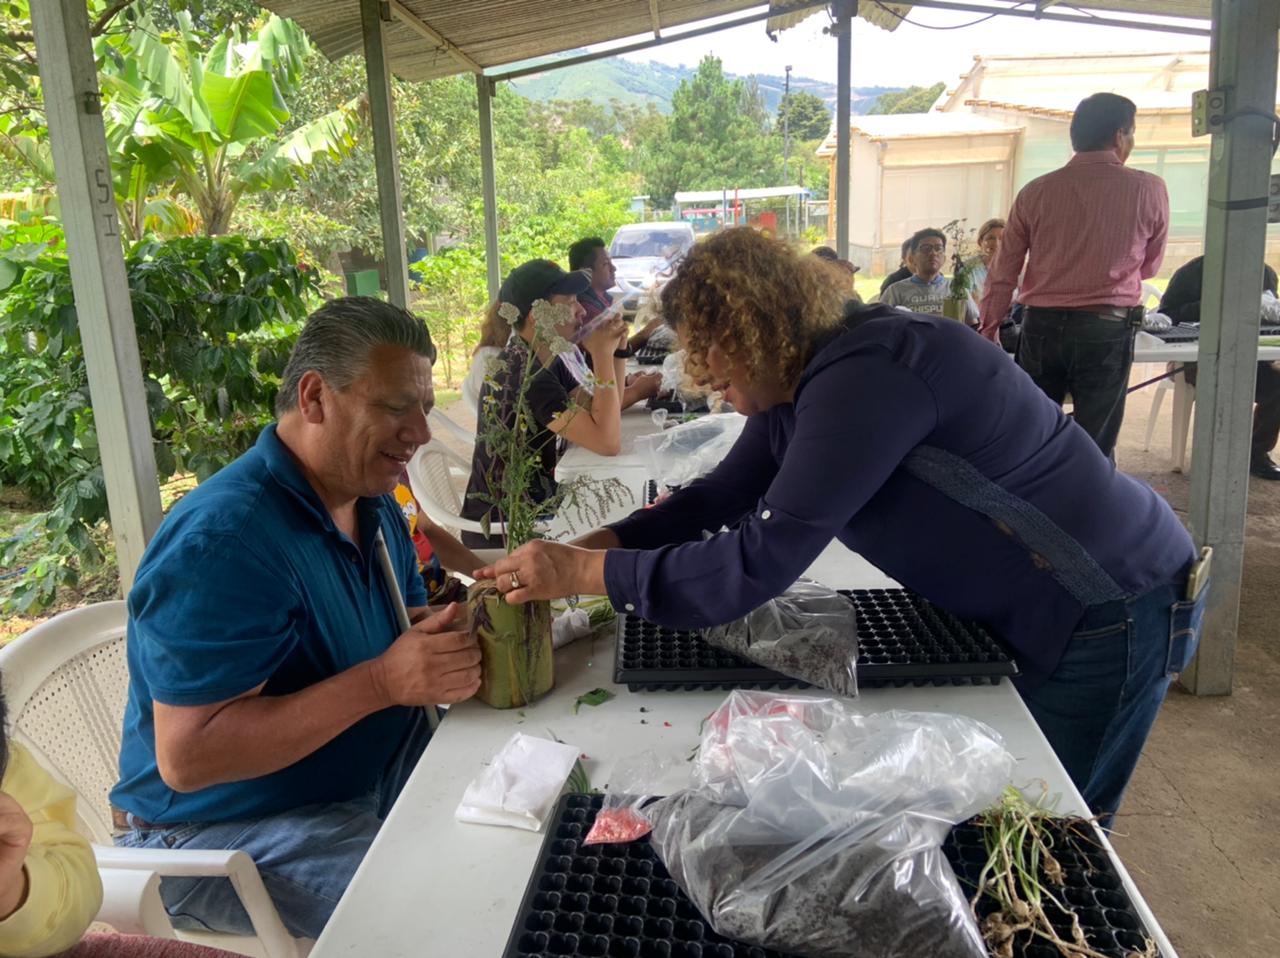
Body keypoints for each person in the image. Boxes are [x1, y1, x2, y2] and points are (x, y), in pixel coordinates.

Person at [477, 227, 1203, 823]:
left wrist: (582, 575)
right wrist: (587, 549)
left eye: (715, 355)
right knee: (1002, 809)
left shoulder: (868, 374)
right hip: (1035, 601)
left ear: (760, 330)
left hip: (1106, 603)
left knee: (1048, 833)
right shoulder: (803, 379)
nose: (707, 375)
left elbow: (757, 561)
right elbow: (720, 495)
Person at [110, 297, 483, 939]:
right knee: (467, 917)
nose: (421, 432)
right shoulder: (227, 540)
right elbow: (188, 756)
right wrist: (383, 682)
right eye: (397, 407)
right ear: (314, 398)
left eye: (423, 406)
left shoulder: (370, 501)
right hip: (219, 833)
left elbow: (395, 626)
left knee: (550, 836)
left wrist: (470, 625)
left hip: (376, 768)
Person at [979, 93, 1169, 459]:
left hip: (1041, 328)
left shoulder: (1035, 192)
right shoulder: (1149, 188)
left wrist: (990, 328)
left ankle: (1033, 493)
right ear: (1119, 135)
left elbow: (1004, 269)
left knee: (1034, 433)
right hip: (1106, 328)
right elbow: (1149, 267)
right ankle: (1088, 493)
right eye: (1132, 134)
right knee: (1095, 443)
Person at [461, 260, 629, 548]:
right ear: (537, 317)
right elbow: (607, 441)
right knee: (624, 531)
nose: (581, 310)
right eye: (570, 302)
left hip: (539, 505)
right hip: (509, 527)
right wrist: (601, 355)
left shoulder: (546, 358)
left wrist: (618, 351)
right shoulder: (526, 375)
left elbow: (607, 413)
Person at [1159, 256, 1280, 480]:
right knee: (1224, 379)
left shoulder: (1265, 273)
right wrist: (1217, 303)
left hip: (1250, 358)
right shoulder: (1192, 273)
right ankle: (1216, 452)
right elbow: (1166, 316)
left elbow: (1271, 317)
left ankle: (1256, 453)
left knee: (1277, 384)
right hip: (1196, 360)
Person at [880, 228, 978, 324]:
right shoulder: (895, 291)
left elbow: (972, 324)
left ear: (944, 258)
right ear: (912, 258)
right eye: (926, 248)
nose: (933, 253)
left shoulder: (957, 289)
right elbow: (881, 325)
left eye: (938, 248)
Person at [967, 217, 1005, 305]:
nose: (996, 243)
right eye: (990, 238)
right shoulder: (968, 268)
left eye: (1001, 238)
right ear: (980, 241)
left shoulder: (1017, 268)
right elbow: (967, 302)